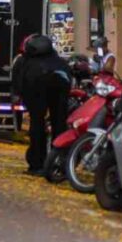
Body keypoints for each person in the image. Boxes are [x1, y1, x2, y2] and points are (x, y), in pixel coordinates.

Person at [18, 34, 72, 175]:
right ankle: (59, 163)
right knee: (59, 124)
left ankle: (37, 163)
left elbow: (21, 84)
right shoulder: (60, 63)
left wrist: (22, 98)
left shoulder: (27, 63)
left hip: (37, 97)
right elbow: (68, 84)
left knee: (37, 124)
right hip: (59, 96)